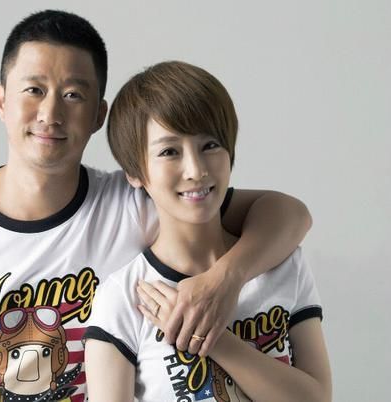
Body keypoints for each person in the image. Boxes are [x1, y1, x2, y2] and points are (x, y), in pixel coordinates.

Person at [0, 10, 312, 402]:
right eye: (33, 89)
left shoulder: (134, 203)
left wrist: (225, 279)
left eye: (73, 94)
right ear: (1, 100)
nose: (50, 113)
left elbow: (289, 214)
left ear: (99, 114)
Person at [83, 61, 332, 402]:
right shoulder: (126, 296)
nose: (196, 170)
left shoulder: (284, 263)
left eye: (210, 145)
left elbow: (317, 398)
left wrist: (213, 338)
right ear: (135, 173)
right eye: (169, 152)